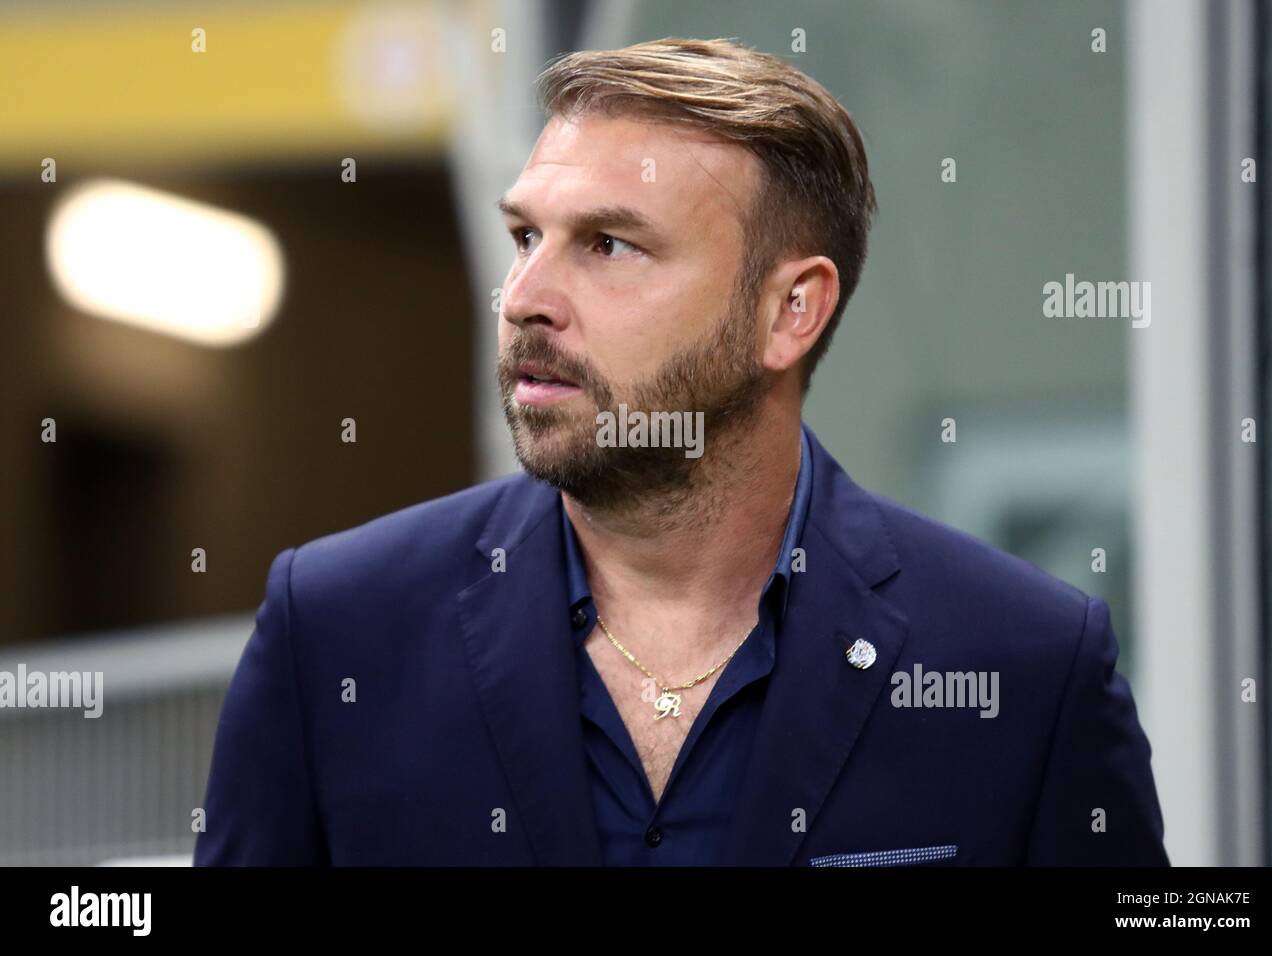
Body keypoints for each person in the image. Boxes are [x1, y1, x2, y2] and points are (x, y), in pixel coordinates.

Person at [195, 37, 1168, 866]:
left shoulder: (1026, 664)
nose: (526, 294)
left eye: (610, 245)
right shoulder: (336, 635)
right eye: (525, 234)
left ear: (790, 311)